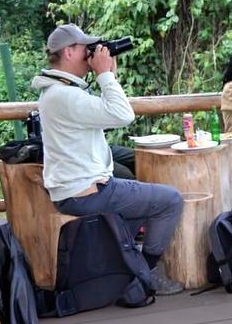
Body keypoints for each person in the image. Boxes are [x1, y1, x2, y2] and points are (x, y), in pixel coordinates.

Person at [30, 24, 184, 295]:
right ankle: (145, 273)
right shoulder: (65, 95)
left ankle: (123, 268)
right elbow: (123, 115)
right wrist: (104, 76)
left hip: (76, 188)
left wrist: (107, 75)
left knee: (140, 196)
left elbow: (106, 112)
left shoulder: (57, 90)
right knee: (170, 200)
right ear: (68, 52)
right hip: (86, 191)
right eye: (85, 48)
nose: (91, 53)